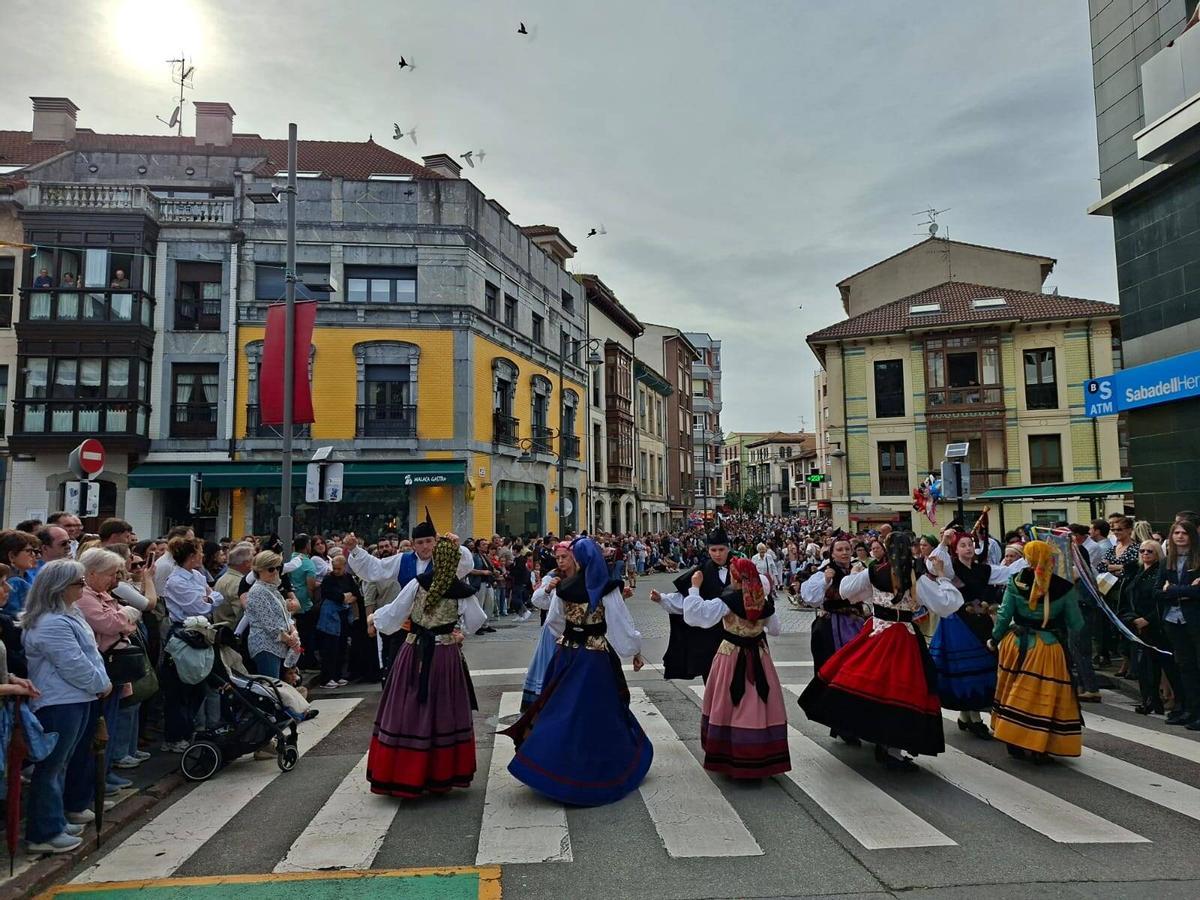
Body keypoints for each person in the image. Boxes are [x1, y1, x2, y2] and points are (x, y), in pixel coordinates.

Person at [501, 538, 651, 806]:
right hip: (594, 658)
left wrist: (571, 636)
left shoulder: (564, 588)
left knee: (559, 709)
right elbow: (620, 626)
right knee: (599, 712)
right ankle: (600, 766)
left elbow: (554, 623)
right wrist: (634, 651)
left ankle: (546, 765)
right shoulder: (607, 588)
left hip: (567, 654)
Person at [798, 532, 951, 770]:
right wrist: (942, 578)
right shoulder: (915, 575)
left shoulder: (874, 572)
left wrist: (857, 576)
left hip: (877, 632)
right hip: (903, 636)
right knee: (904, 688)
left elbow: (848, 591)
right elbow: (946, 604)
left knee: (868, 682)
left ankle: (874, 736)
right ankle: (890, 747)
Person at [363, 536, 483, 798]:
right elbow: (476, 621)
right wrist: (456, 630)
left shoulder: (418, 584)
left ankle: (406, 772)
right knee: (444, 710)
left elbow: (395, 614)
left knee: (409, 706)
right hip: (446, 654)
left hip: (415, 649)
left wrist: (375, 618)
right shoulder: (460, 590)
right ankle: (442, 773)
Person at [22, 559, 112, 853]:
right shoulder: (51, 623)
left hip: (77, 697)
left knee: (62, 764)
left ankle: (55, 820)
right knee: (51, 767)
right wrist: (100, 684)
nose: (83, 587)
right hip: (60, 701)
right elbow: (73, 663)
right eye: (78, 583)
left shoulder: (67, 615)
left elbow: (88, 657)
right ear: (60, 587)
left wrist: (98, 683)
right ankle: (43, 831)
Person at [682, 557, 789, 778]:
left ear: (737, 577)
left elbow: (696, 616)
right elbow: (776, 629)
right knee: (759, 703)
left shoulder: (728, 601)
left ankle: (729, 754)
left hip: (731, 654)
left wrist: (694, 589)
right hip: (758, 655)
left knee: (727, 702)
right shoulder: (763, 603)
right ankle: (759, 753)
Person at [989, 540, 1086, 760]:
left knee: (1013, 688)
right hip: (1049, 646)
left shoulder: (1015, 581)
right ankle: (1040, 742)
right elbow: (1077, 623)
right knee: (1047, 693)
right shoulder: (1064, 586)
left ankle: (1013, 736)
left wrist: (994, 639)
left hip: (1017, 644)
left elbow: (1004, 616)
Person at [927, 532, 1026, 738]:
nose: (968, 548)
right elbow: (933, 564)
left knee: (983, 665)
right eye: (962, 545)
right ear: (956, 549)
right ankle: (974, 718)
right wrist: (944, 543)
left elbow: (1008, 572)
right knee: (967, 667)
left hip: (980, 622)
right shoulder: (951, 568)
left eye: (970, 544)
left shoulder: (983, 569)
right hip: (958, 623)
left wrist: (1029, 557)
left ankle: (966, 716)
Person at [344, 510, 443, 673]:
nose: (425, 546)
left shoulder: (445, 561)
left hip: (438, 627)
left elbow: (465, 565)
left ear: (435, 541)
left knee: (436, 674)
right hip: (408, 626)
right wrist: (355, 549)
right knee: (402, 671)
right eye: (420, 542)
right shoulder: (402, 560)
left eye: (428, 541)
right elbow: (376, 567)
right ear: (413, 544)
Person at [76, 548, 141, 793]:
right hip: (104, 664)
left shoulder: (101, 594)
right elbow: (111, 623)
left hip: (114, 665)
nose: (114, 579)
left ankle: (104, 773)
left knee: (110, 723)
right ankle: (96, 779)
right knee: (101, 727)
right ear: (92, 573)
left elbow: (123, 623)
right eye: (111, 574)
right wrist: (125, 617)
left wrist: (123, 620)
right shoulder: (86, 596)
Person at [652, 526, 732, 682]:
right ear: (708, 550)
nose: (717, 554)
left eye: (721, 549)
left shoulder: (739, 567)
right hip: (709, 637)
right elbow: (684, 599)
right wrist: (662, 598)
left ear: (728, 548)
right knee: (712, 680)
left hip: (735, 635)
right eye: (713, 550)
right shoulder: (702, 571)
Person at [1121, 540, 1180, 715]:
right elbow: (1128, 597)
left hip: (1156, 625)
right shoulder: (1137, 572)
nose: (1145, 554)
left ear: (1157, 554)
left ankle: (1179, 702)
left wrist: (1148, 619)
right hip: (1137, 624)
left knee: (1168, 665)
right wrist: (1132, 618)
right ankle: (1150, 700)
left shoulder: (1159, 572)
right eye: (1142, 551)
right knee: (1145, 666)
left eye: (1150, 551)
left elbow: (1161, 600)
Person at [520, 541, 575, 709]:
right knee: (550, 666)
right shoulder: (553, 576)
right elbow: (537, 601)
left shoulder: (582, 576)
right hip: (553, 632)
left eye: (564, 557)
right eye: (557, 557)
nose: (560, 561)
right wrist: (547, 589)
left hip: (575, 632)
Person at [1160, 518, 1200, 729]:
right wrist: (1185, 591)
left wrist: (1173, 590)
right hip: (1173, 620)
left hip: (1195, 620)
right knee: (1185, 667)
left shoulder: (1198, 559)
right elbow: (1157, 592)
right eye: (1176, 533)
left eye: (1184, 533)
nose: (1180, 536)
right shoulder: (1167, 562)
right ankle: (1190, 710)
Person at [244, 551, 299, 680]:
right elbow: (269, 624)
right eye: (270, 569)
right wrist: (290, 639)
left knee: (280, 686)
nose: (275, 572)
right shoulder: (257, 591)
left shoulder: (272, 588)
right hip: (265, 646)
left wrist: (294, 632)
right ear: (259, 571)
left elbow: (286, 616)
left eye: (278, 568)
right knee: (272, 686)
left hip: (279, 645)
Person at [316, 555, 358, 688]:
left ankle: (337, 675)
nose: (336, 571)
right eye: (334, 568)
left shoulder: (348, 578)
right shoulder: (328, 578)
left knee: (342, 647)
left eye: (339, 569)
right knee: (330, 648)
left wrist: (347, 597)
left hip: (343, 614)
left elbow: (355, 593)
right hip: (330, 616)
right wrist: (344, 597)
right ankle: (326, 677)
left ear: (344, 567)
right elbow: (331, 594)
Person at [1, 530, 40, 616]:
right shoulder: (15, 582)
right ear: (12, 556)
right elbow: (17, 617)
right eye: (29, 551)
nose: (34, 555)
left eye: (34, 551)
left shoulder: (23, 577)